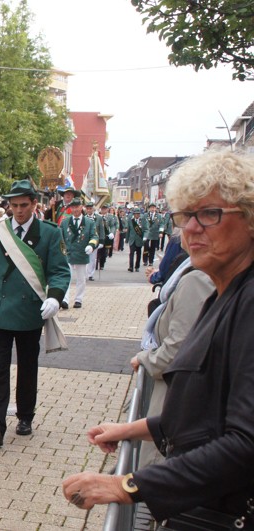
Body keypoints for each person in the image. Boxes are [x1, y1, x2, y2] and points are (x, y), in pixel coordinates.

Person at [62, 148, 254, 528]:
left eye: (209, 214)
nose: (191, 229)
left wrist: (128, 486)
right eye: (185, 215)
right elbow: (205, 413)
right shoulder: (222, 293)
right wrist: (136, 428)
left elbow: (245, 443)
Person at [0, 180, 70, 447]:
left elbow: (59, 270)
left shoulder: (49, 233)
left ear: (34, 204)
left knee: (27, 367)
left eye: (24, 205)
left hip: (30, 311)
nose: (18, 211)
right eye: (14, 205)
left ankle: (25, 415)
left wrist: (55, 296)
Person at [132, 253, 214, 468]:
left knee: (156, 469)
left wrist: (146, 359)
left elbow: (178, 351)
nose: (191, 235)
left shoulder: (198, 278)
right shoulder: (195, 270)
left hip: (175, 397)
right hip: (180, 405)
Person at [60, 198, 98, 309]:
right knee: (66, 277)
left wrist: (91, 245)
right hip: (68, 254)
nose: (75, 209)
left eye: (77, 207)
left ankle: (78, 299)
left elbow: (94, 236)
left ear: (81, 207)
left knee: (81, 279)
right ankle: (65, 299)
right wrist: (61, 251)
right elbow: (60, 238)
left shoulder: (89, 222)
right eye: (73, 207)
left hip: (82, 253)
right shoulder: (65, 222)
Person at [83, 202, 101, 281]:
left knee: (93, 259)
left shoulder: (98, 218)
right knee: (85, 258)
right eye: (87, 209)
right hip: (85, 240)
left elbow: (101, 230)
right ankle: (84, 274)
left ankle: (90, 274)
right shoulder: (83, 218)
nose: (89, 210)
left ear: (93, 209)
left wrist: (102, 241)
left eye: (90, 208)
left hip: (94, 240)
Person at [126, 207, 147, 272]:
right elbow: (128, 230)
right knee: (131, 253)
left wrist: (145, 236)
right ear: (134, 214)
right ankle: (131, 267)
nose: (137, 215)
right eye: (135, 214)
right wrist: (126, 239)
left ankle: (137, 266)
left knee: (138, 253)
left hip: (139, 239)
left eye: (138, 214)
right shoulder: (130, 220)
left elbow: (146, 229)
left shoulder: (143, 221)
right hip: (132, 239)